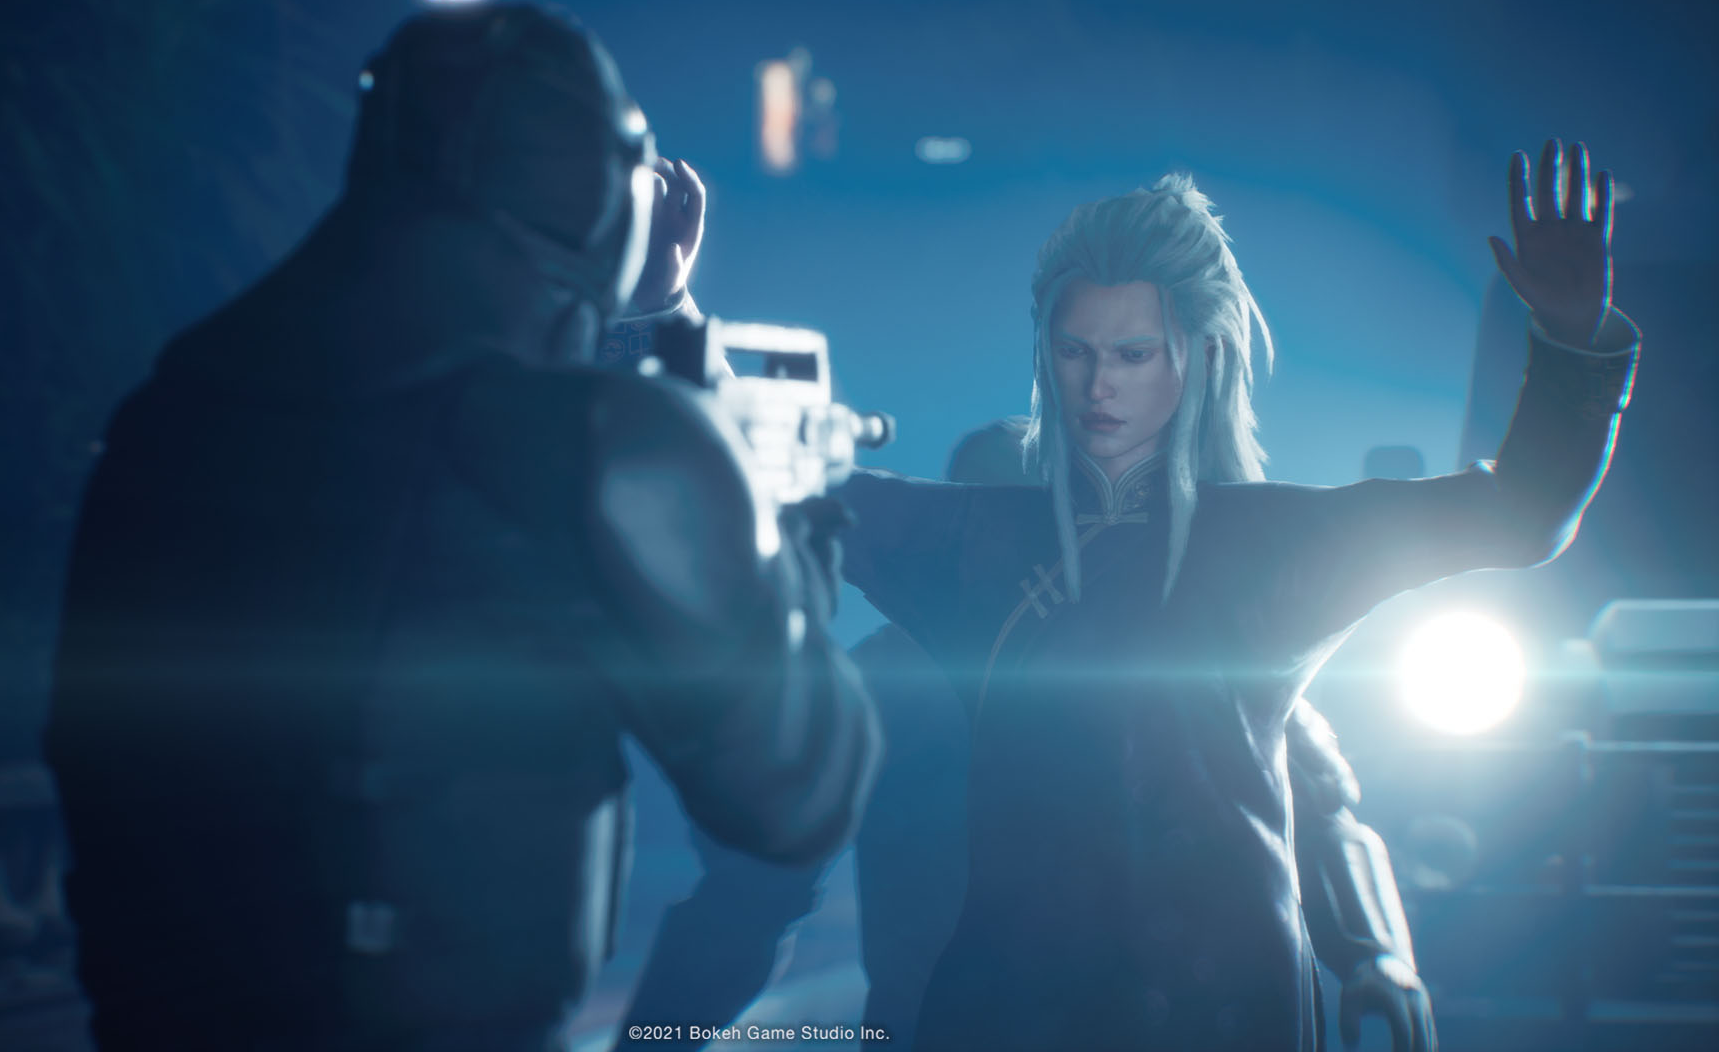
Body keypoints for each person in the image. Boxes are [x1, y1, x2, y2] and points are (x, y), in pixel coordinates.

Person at [44, 4, 878, 1052]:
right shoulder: (602, 443)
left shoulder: (175, 407)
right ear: (598, 185)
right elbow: (798, 797)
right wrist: (785, 537)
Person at [833, 141, 1636, 1050]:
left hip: (1225, 1004)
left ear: (1201, 355)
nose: (1098, 384)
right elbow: (773, 488)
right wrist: (686, 348)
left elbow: (1519, 513)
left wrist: (1573, 343)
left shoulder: (1276, 542)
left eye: (1133, 353)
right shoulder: (975, 539)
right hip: (1013, 1006)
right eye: (1075, 350)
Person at [613, 424, 1437, 1052]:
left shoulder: (1187, 664)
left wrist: (1376, 952)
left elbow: (1327, 812)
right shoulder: (888, 689)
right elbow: (753, 891)